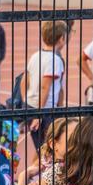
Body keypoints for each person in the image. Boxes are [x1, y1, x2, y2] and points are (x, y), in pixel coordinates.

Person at [25, 19, 68, 148]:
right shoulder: (54, 60)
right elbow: (45, 86)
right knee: (50, 150)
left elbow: (25, 81)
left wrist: (25, 100)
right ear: (61, 38)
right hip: (44, 110)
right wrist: (39, 115)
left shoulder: (35, 56)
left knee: (43, 150)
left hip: (30, 105)